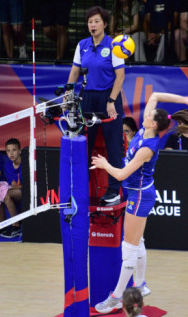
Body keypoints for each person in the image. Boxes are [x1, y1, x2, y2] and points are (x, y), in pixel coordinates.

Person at [91, 91, 188, 313]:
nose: (146, 114)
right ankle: (141, 284)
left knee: (129, 248)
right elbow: (155, 95)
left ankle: (116, 298)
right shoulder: (145, 129)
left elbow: (121, 174)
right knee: (138, 241)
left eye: (149, 115)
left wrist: (105, 165)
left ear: (153, 124)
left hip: (140, 196)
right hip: (140, 193)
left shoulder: (147, 148)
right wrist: (185, 99)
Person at [67, 6, 126, 205]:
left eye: (97, 21)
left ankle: (114, 190)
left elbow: (120, 76)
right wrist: (68, 95)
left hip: (108, 98)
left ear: (105, 24)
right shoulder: (82, 45)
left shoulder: (114, 45)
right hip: (88, 99)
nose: (93, 25)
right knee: (83, 144)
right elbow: (75, 72)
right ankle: (79, 189)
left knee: (113, 145)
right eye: (90, 22)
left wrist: (111, 101)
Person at [0, 137, 22, 238]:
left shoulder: (26, 163)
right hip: (16, 190)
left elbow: (25, 185)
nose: (11, 153)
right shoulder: (7, 165)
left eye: (14, 150)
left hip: (26, 192)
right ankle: (3, 224)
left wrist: (14, 187)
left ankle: (16, 226)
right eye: (8, 151)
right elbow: (14, 185)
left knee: (5, 194)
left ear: (19, 151)